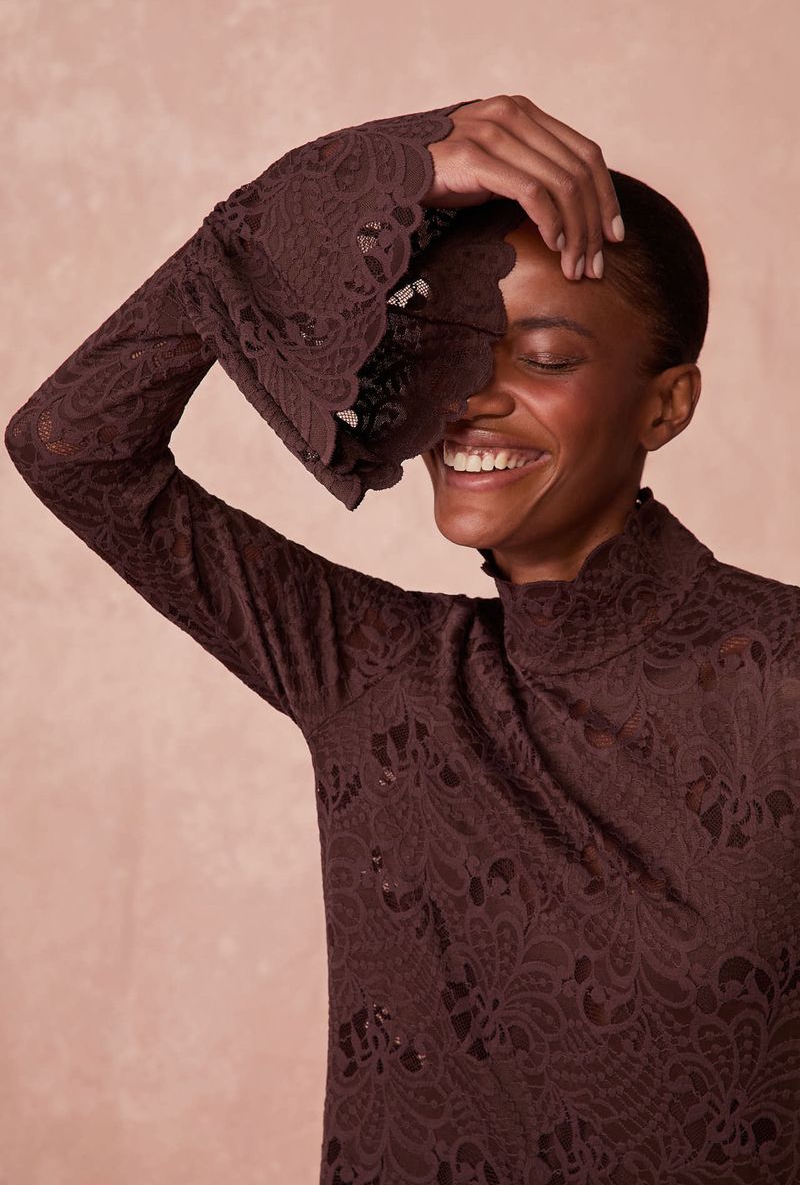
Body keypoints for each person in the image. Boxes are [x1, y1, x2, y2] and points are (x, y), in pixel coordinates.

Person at [6, 94, 799, 1184]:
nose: (471, 400)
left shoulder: (782, 679)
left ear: (665, 407)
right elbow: (72, 447)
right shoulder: (370, 673)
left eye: (544, 357)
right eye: (450, 350)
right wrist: (368, 174)